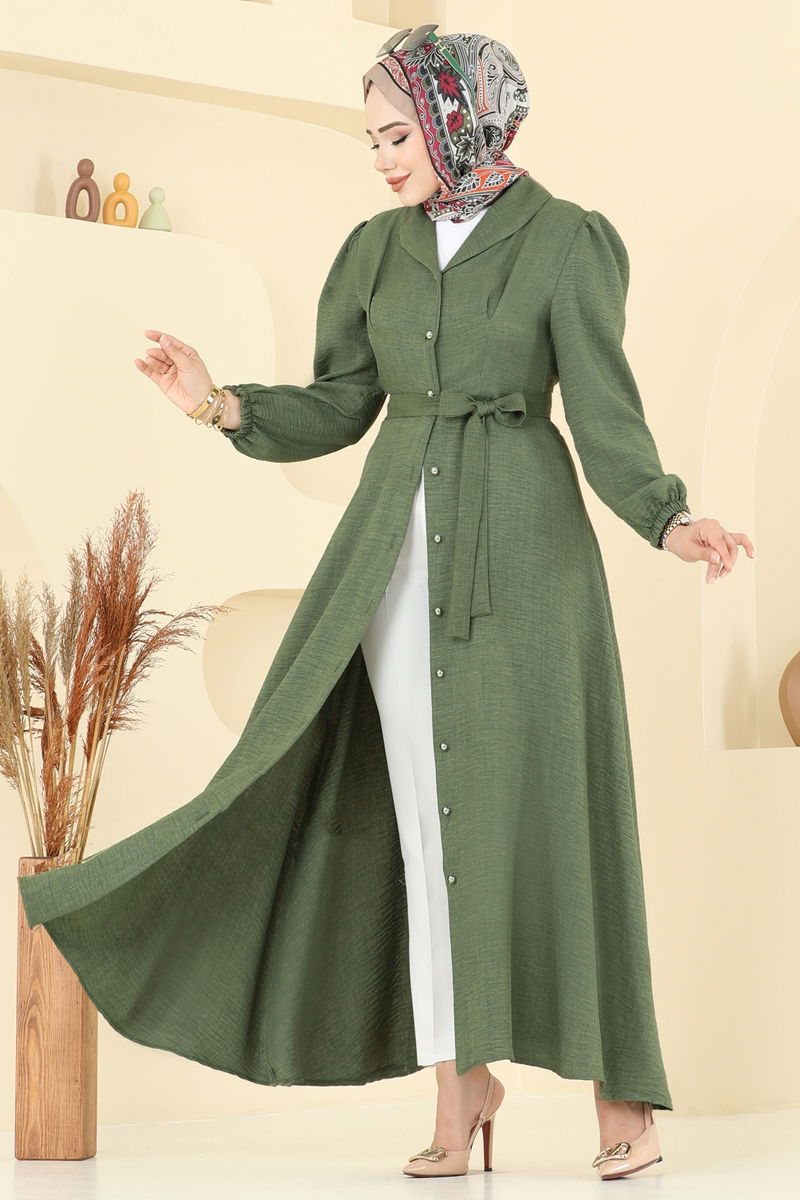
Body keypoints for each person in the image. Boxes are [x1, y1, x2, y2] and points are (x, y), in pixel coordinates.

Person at [19, 25, 754, 1182]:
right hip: (392, 560)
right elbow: (340, 404)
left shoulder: (566, 240)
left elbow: (604, 411)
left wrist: (667, 518)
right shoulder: (371, 250)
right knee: (425, 825)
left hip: (527, 557)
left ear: (461, 118)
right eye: (369, 139)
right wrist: (218, 401)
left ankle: (621, 1093)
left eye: (397, 134)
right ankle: (459, 1089)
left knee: (561, 815)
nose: (380, 158)